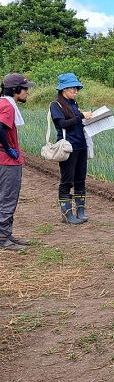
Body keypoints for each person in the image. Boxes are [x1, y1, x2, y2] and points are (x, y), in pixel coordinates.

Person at [50, 73, 92, 224]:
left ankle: (80, 211)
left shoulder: (73, 103)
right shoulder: (56, 105)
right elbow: (62, 124)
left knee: (80, 179)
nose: (75, 91)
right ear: (63, 89)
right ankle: (67, 214)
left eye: (76, 88)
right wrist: (81, 116)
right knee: (67, 180)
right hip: (68, 147)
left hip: (81, 146)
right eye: (73, 88)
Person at [0, 73, 35, 251]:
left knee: (5, 197)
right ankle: (3, 237)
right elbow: (0, 127)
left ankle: (7, 233)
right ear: (15, 90)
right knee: (7, 198)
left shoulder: (2, 102)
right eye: (25, 88)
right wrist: (8, 148)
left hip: (4, 159)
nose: (27, 92)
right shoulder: (8, 106)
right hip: (7, 161)